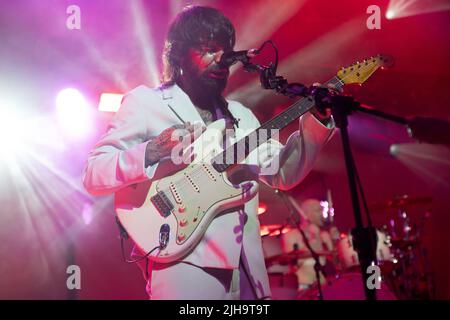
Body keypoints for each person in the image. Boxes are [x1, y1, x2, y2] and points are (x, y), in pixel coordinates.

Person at [82, 6, 335, 300]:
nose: (220, 60)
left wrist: (316, 121)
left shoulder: (241, 117)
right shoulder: (146, 103)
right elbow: (93, 173)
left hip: (246, 267)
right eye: (208, 50)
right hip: (184, 265)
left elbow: (283, 172)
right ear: (179, 54)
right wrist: (152, 150)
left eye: (225, 52)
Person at [281, 198, 339, 293]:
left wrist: (335, 242)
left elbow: (337, 264)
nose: (322, 214)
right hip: (304, 288)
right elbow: (295, 263)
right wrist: (314, 239)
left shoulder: (324, 235)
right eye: (317, 210)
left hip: (325, 286)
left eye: (322, 210)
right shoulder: (290, 235)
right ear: (305, 214)